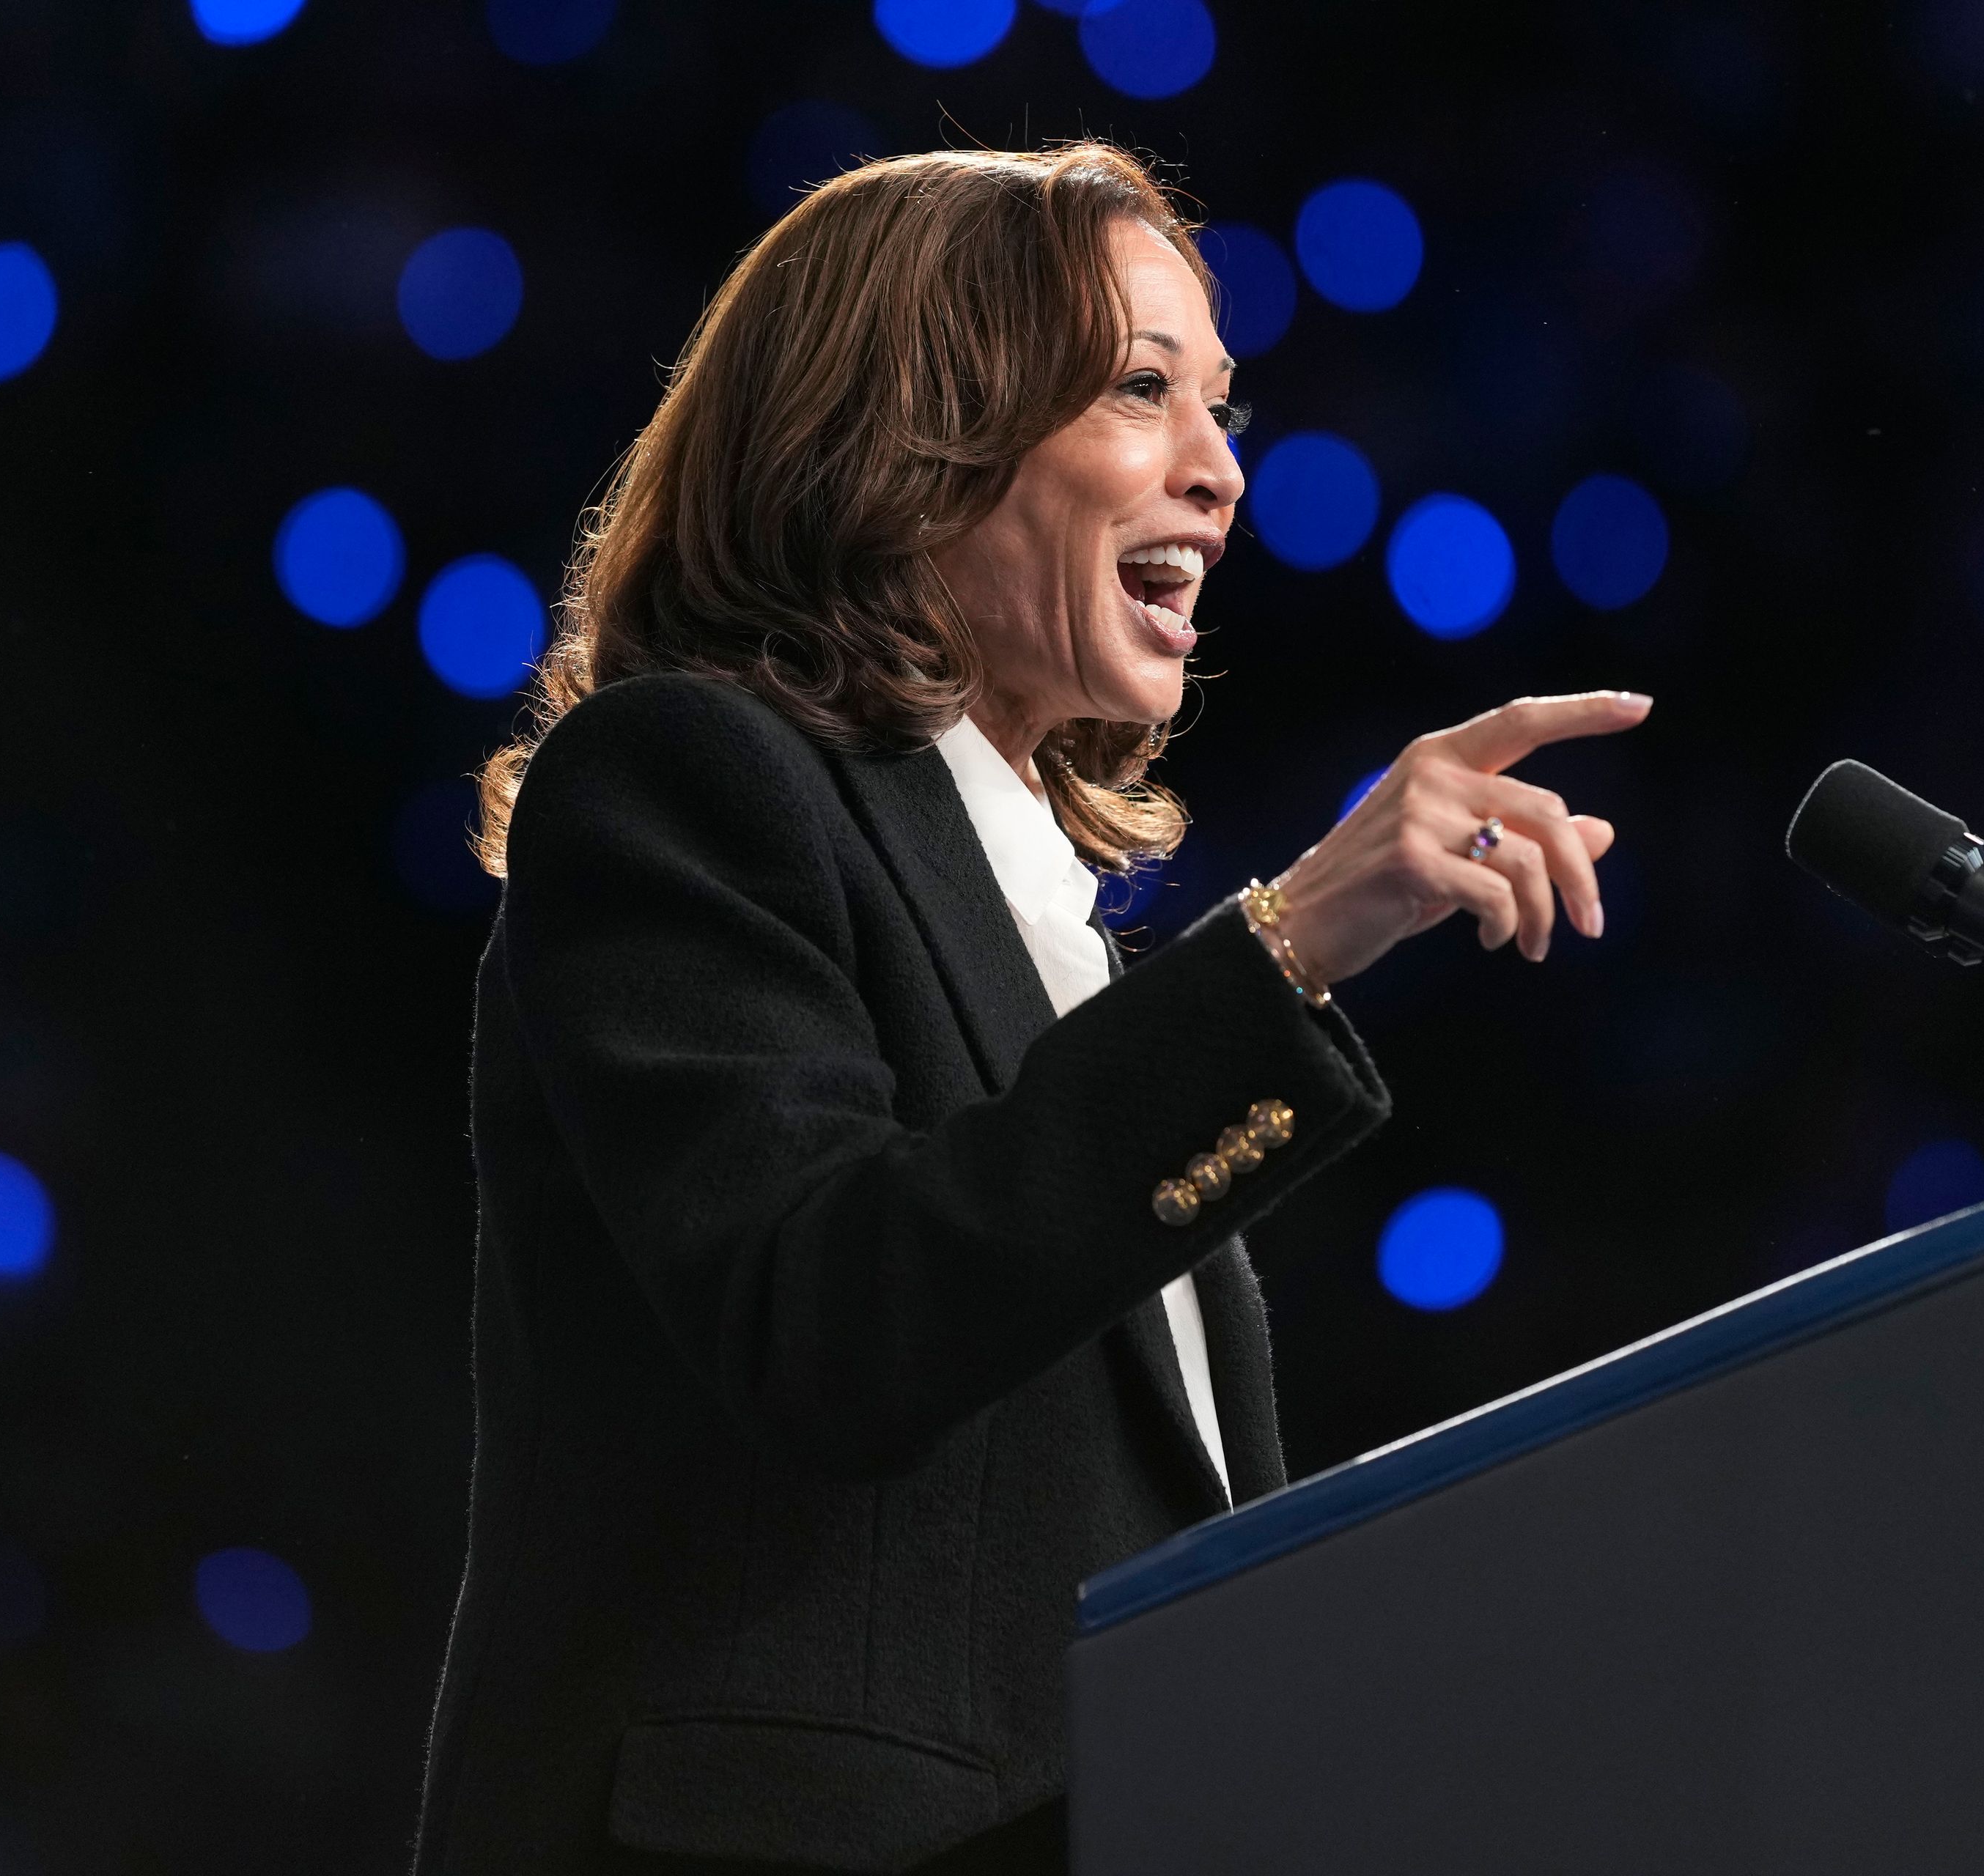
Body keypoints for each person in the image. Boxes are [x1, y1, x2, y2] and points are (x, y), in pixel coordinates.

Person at [410, 143, 1647, 1875]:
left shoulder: (1063, 937)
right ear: (910, 434)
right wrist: (1287, 942)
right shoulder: (683, 777)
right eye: (1143, 391)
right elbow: (830, 1320)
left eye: (1223, 409)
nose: (1221, 472)